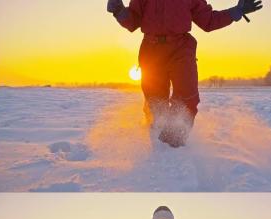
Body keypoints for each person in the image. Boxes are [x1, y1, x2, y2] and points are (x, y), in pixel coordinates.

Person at [107, 0, 263, 147]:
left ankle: (175, 143)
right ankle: (156, 140)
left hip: (181, 48)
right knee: (155, 102)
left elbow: (208, 21)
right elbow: (133, 21)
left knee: (187, 96)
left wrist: (236, 11)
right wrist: (119, 10)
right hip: (151, 50)